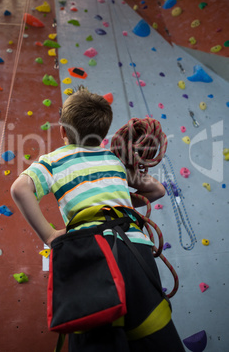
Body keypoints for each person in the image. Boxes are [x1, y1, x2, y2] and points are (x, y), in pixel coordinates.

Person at [11, 85, 185, 352]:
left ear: (62, 131)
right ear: (102, 134)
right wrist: (122, 203)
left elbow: (20, 188)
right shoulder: (114, 160)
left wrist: (49, 235)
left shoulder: (54, 160)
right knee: (153, 331)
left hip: (90, 251)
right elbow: (156, 191)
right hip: (134, 247)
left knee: (94, 336)